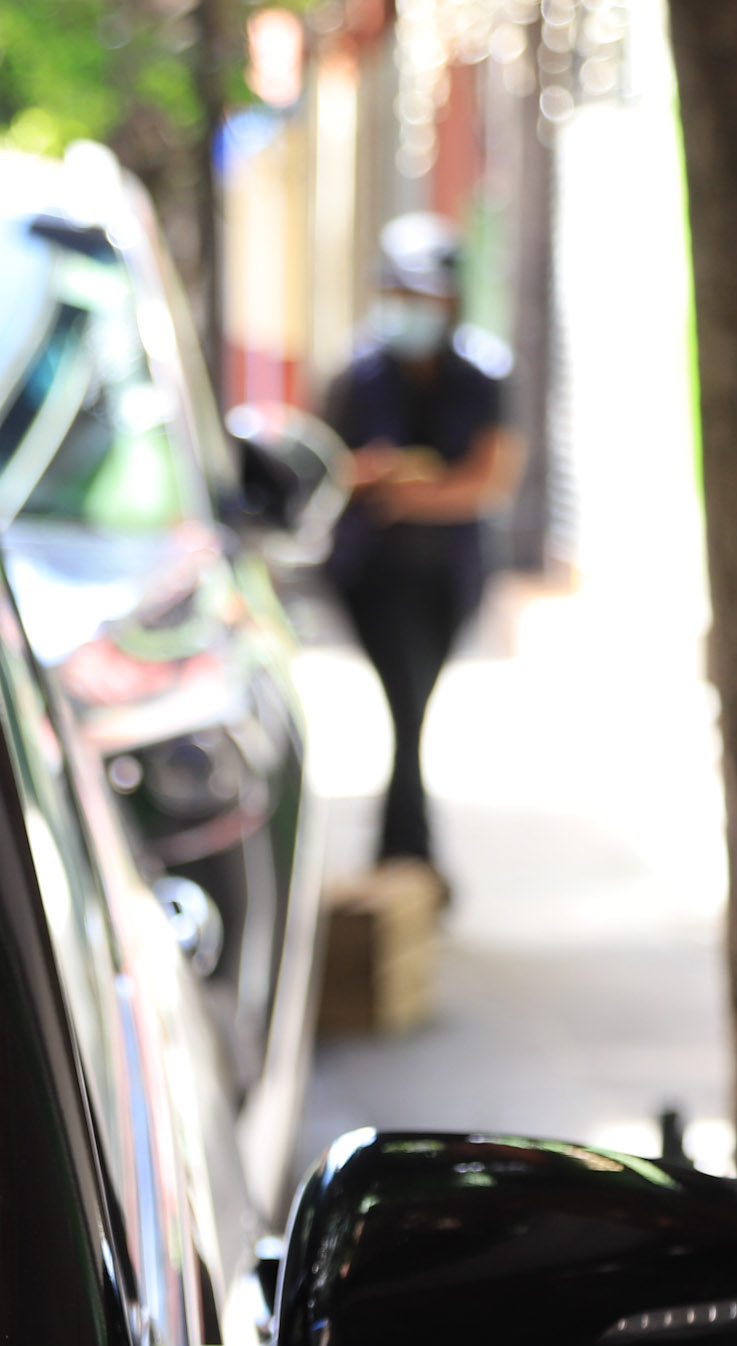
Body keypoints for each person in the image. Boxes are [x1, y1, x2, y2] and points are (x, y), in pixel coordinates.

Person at [320, 213, 524, 887]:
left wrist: (412, 493)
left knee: (416, 707)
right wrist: (369, 476)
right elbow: (324, 466)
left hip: (449, 574)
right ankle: (410, 854)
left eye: (423, 296)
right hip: (374, 574)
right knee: (406, 706)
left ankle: (407, 851)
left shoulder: (482, 376)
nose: (410, 309)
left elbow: (490, 479)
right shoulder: (357, 375)